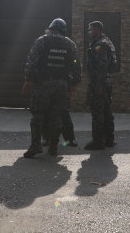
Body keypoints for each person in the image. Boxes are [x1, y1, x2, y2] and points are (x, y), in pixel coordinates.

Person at [22, 18, 81, 157]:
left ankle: (36, 145)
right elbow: (76, 67)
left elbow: (32, 61)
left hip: (43, 84)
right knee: (57, 115)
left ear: (51, 28)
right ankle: (53, 147)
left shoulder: (42, 40)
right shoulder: (70, 44)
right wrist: (74, 85)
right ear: (63, 30)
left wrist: (28, 79)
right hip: (62, 85)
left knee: (38, 114)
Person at [85, 21, 117, 150]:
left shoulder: (100, 44)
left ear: (97, 30)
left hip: (100, 82)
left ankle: (98, 141)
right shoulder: (107, 42)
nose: (89, 32)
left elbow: (102, 65)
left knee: (97, 111)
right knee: (106, 110)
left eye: (90, 30)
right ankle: (109, 139)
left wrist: (98, 85)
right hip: (106, 80)